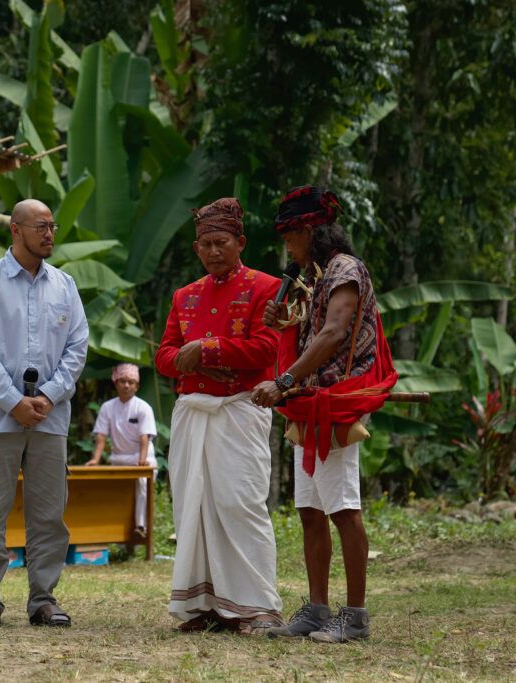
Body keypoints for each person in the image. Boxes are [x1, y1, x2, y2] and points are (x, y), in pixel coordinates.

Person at [252, 186, 396, 643]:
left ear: (309, 230)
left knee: (343, 510)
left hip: (334, 404)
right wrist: (285, 324)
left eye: (289, 238)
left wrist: (284, 382)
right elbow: (313, 329)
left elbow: (334, 333)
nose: (286, 249)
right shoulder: (317, 276)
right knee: (310, 510)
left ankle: (354, 617)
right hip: (312, 404)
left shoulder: (344, 270)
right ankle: (316, 610)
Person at [154, 197, 284, 635]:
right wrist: (186, 358)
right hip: (193, 412)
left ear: (240, 242)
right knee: (194, 505)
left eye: (221, 242)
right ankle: (204, 604)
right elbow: (163, 356)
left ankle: (258, 606)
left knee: (240, 503)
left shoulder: (265, 287)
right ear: (196, 248)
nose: (213, 251)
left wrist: (206, 349)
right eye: (205, 244)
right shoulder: (184, 295)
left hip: (238, 410)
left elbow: (268, 349)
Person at [0, 198, 88, 628]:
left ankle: (43, 598)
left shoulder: (65, 286)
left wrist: (48, 397)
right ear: (15, 230)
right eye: (41, 226)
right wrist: (14, 402)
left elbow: (77, 349)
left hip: (50, 418)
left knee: (49, 512)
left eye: (52, 225)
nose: (50, 233)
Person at [84, 363, 157, 541]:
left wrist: (141, 461)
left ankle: (141, 527)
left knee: (141, 486)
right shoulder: (107, 407)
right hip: (118, 458)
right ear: (116, 383)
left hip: (142, 459)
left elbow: (144, 437)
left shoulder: (143, 407)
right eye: (123, 381)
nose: (126, 385)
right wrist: (95, 459)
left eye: (131, 382)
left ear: (137, 386)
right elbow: (101, 435)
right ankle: (113, 532)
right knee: (114, 492)